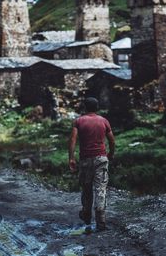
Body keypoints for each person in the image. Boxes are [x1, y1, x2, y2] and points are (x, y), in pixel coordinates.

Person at [68, 97, 115, 231]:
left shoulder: (79, 121)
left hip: (85, 160)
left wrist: (71, 157)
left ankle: (87, 215)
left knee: (86, 188)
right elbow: (112, 141)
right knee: (100, 189)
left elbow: (72, 140)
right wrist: (111, 154)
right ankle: (101, 221)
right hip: (101, 158)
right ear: (97, 107)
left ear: (85, 107)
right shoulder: (104, 121)